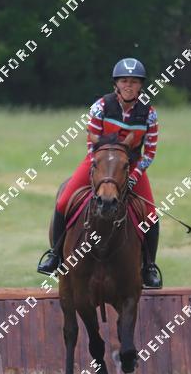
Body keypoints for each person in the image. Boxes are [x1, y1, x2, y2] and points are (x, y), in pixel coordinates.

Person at [36, 57, 162, 288]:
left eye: (134, 82)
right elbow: (91, 144)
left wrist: (133, 177)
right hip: (99, 162)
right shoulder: (101, 107)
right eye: (124, 81)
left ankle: (149, 266)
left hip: (131, 166)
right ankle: (55, 255)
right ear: (116, 84)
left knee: (152, 215)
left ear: (141, 86)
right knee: (63, 201)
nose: (129, 85)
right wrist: (99, 170)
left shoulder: (149, 114)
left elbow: (150, 153)